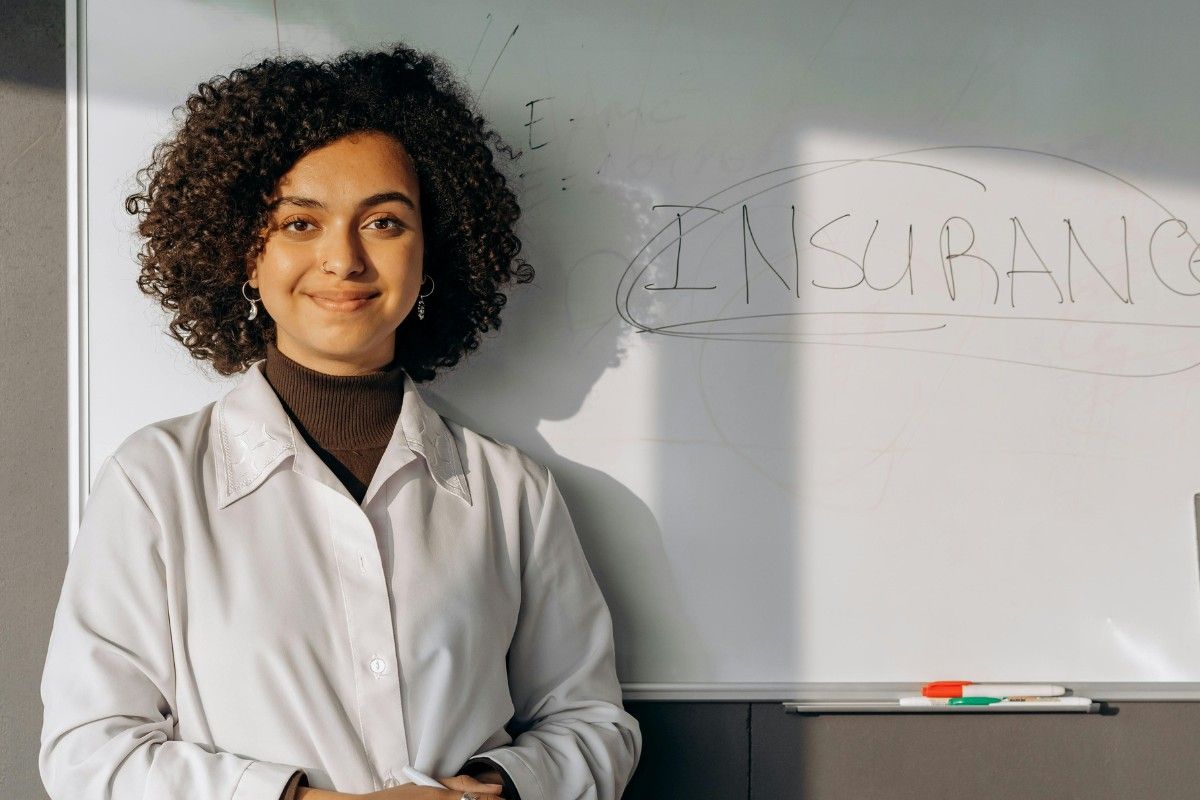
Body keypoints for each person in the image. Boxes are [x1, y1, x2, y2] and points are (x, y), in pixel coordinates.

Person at [38, 43, 641, 800]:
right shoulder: (154, 483)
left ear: (434, 251)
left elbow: (591, 722)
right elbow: (89, 750)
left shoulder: (512, 492)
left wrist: (493, 788)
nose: (343, 259)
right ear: (243, 253)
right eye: (299, 223)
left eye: (384, 222)